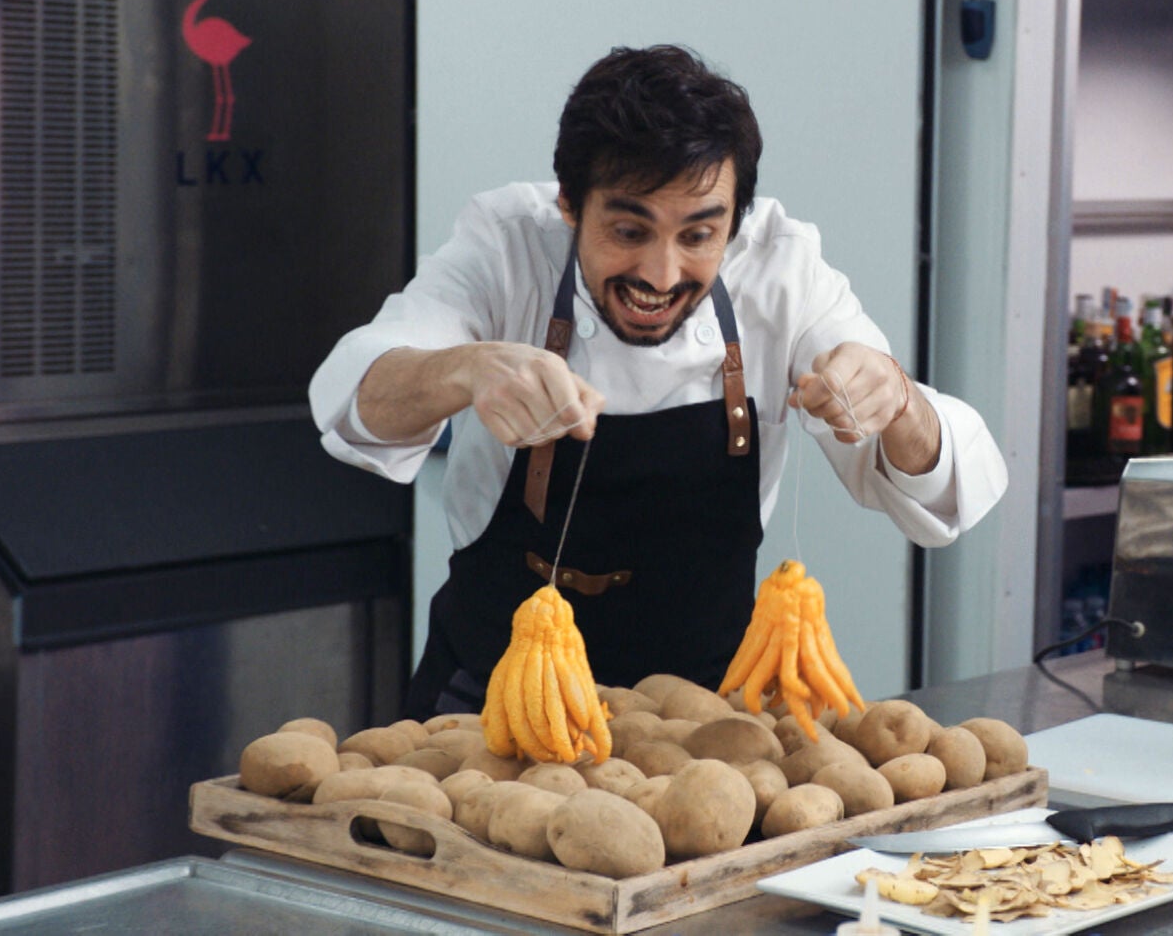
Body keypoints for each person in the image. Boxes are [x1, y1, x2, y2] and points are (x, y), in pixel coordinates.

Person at [309, 45, 1009, 718]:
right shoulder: (507, 245)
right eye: (628, 230)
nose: (661, 274)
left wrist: (897, 399)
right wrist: (463, 368)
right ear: (569, 204)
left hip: (705, 717)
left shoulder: (783, 271)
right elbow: (354, 396)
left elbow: (948, 491)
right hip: (492, 696)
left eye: (698, 236)